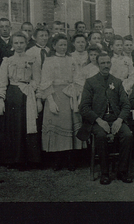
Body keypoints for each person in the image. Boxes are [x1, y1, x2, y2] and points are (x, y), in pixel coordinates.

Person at [78, 53, 133, 185]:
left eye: (108, 62)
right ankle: (105, 173)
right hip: (99, 121)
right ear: (98, 64)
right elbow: (84, 107)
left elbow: (126, 104)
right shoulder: (90, 82)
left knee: (128, 134)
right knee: (101, 136)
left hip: (116, 119)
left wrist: (119, 120)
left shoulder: (117, 82)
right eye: (103, 63)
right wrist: (99, 120)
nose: (106, 65)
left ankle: (122, 171)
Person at [0, 32, 42, 171]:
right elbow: (2, 82)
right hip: (13, 96)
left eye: (22, 43)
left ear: (26, 44)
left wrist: (39, 99)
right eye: (16, 43)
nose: (19, 46)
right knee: (13, 127)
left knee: (28, 125)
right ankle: (13, 159)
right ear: (12, 44)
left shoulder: (33, 60)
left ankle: (30, 159)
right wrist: (1, 101)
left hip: (29, 95)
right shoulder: (7, 61)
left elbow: (37, 81)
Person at [39, 33, 85, 171]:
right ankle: (57, 160)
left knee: (71, 126)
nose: (63, 47)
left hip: (70, 95)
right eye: (60, 45)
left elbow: (78, 78)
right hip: (55, 95)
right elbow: (45, 81)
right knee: (57, 127)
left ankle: (71, 159)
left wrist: (76, 95)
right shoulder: (49, 60)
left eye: (65, 45)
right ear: (54, 46)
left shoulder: (72, 59)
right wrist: (51, 101)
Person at [0, 18, 14, 149]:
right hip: (1, 83)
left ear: (10, 27)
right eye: (2, 27)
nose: (5, 29)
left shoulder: (16, 42)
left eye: (7, 26)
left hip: (16, 84)